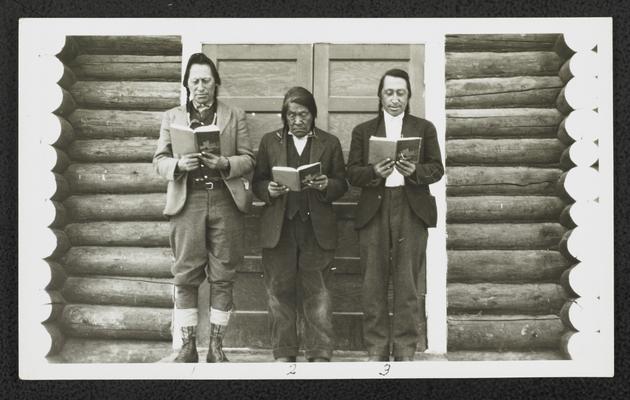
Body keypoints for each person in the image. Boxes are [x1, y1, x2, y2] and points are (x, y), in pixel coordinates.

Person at [153, 53, 255, 363]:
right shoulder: (172, 117)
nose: (201, 87)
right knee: (185, 275)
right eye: (195, 81)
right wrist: (179, 164)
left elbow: (250, 159)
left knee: (223, 275)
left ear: (216, 84)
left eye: (206, 81)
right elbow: (159, 161)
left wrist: (225, 163)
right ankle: (187, 347)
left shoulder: (233, 115)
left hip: (224, 200)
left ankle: (216, 346)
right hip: (188, 201)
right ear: (186, 84)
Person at [347, 69, 444, 361]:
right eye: (389, 92)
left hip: (410, 209)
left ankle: (404, 350)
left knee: (408, 284)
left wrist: (415, 171)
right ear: (380, 96)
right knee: (373, 283)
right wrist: (374, 172)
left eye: (400, 93)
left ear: (409, 96)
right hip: (375, 210)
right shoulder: (363, 131)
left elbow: (436, 169)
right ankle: (376, 349)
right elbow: (352, 172)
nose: (394, 99)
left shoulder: (423, 128)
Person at [252, 87, 348, 362]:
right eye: (291, 115)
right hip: (279, 228)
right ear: (284, 116)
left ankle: (319, 353)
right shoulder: (270, 142)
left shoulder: (329, 143)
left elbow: (342, 183)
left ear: (313, 115)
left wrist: (326, 184)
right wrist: (268, 190)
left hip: (315, 229)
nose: (297, 121)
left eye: (303, 114)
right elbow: (258, 181)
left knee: (318, 293)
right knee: (278, 292)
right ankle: (284, 353)